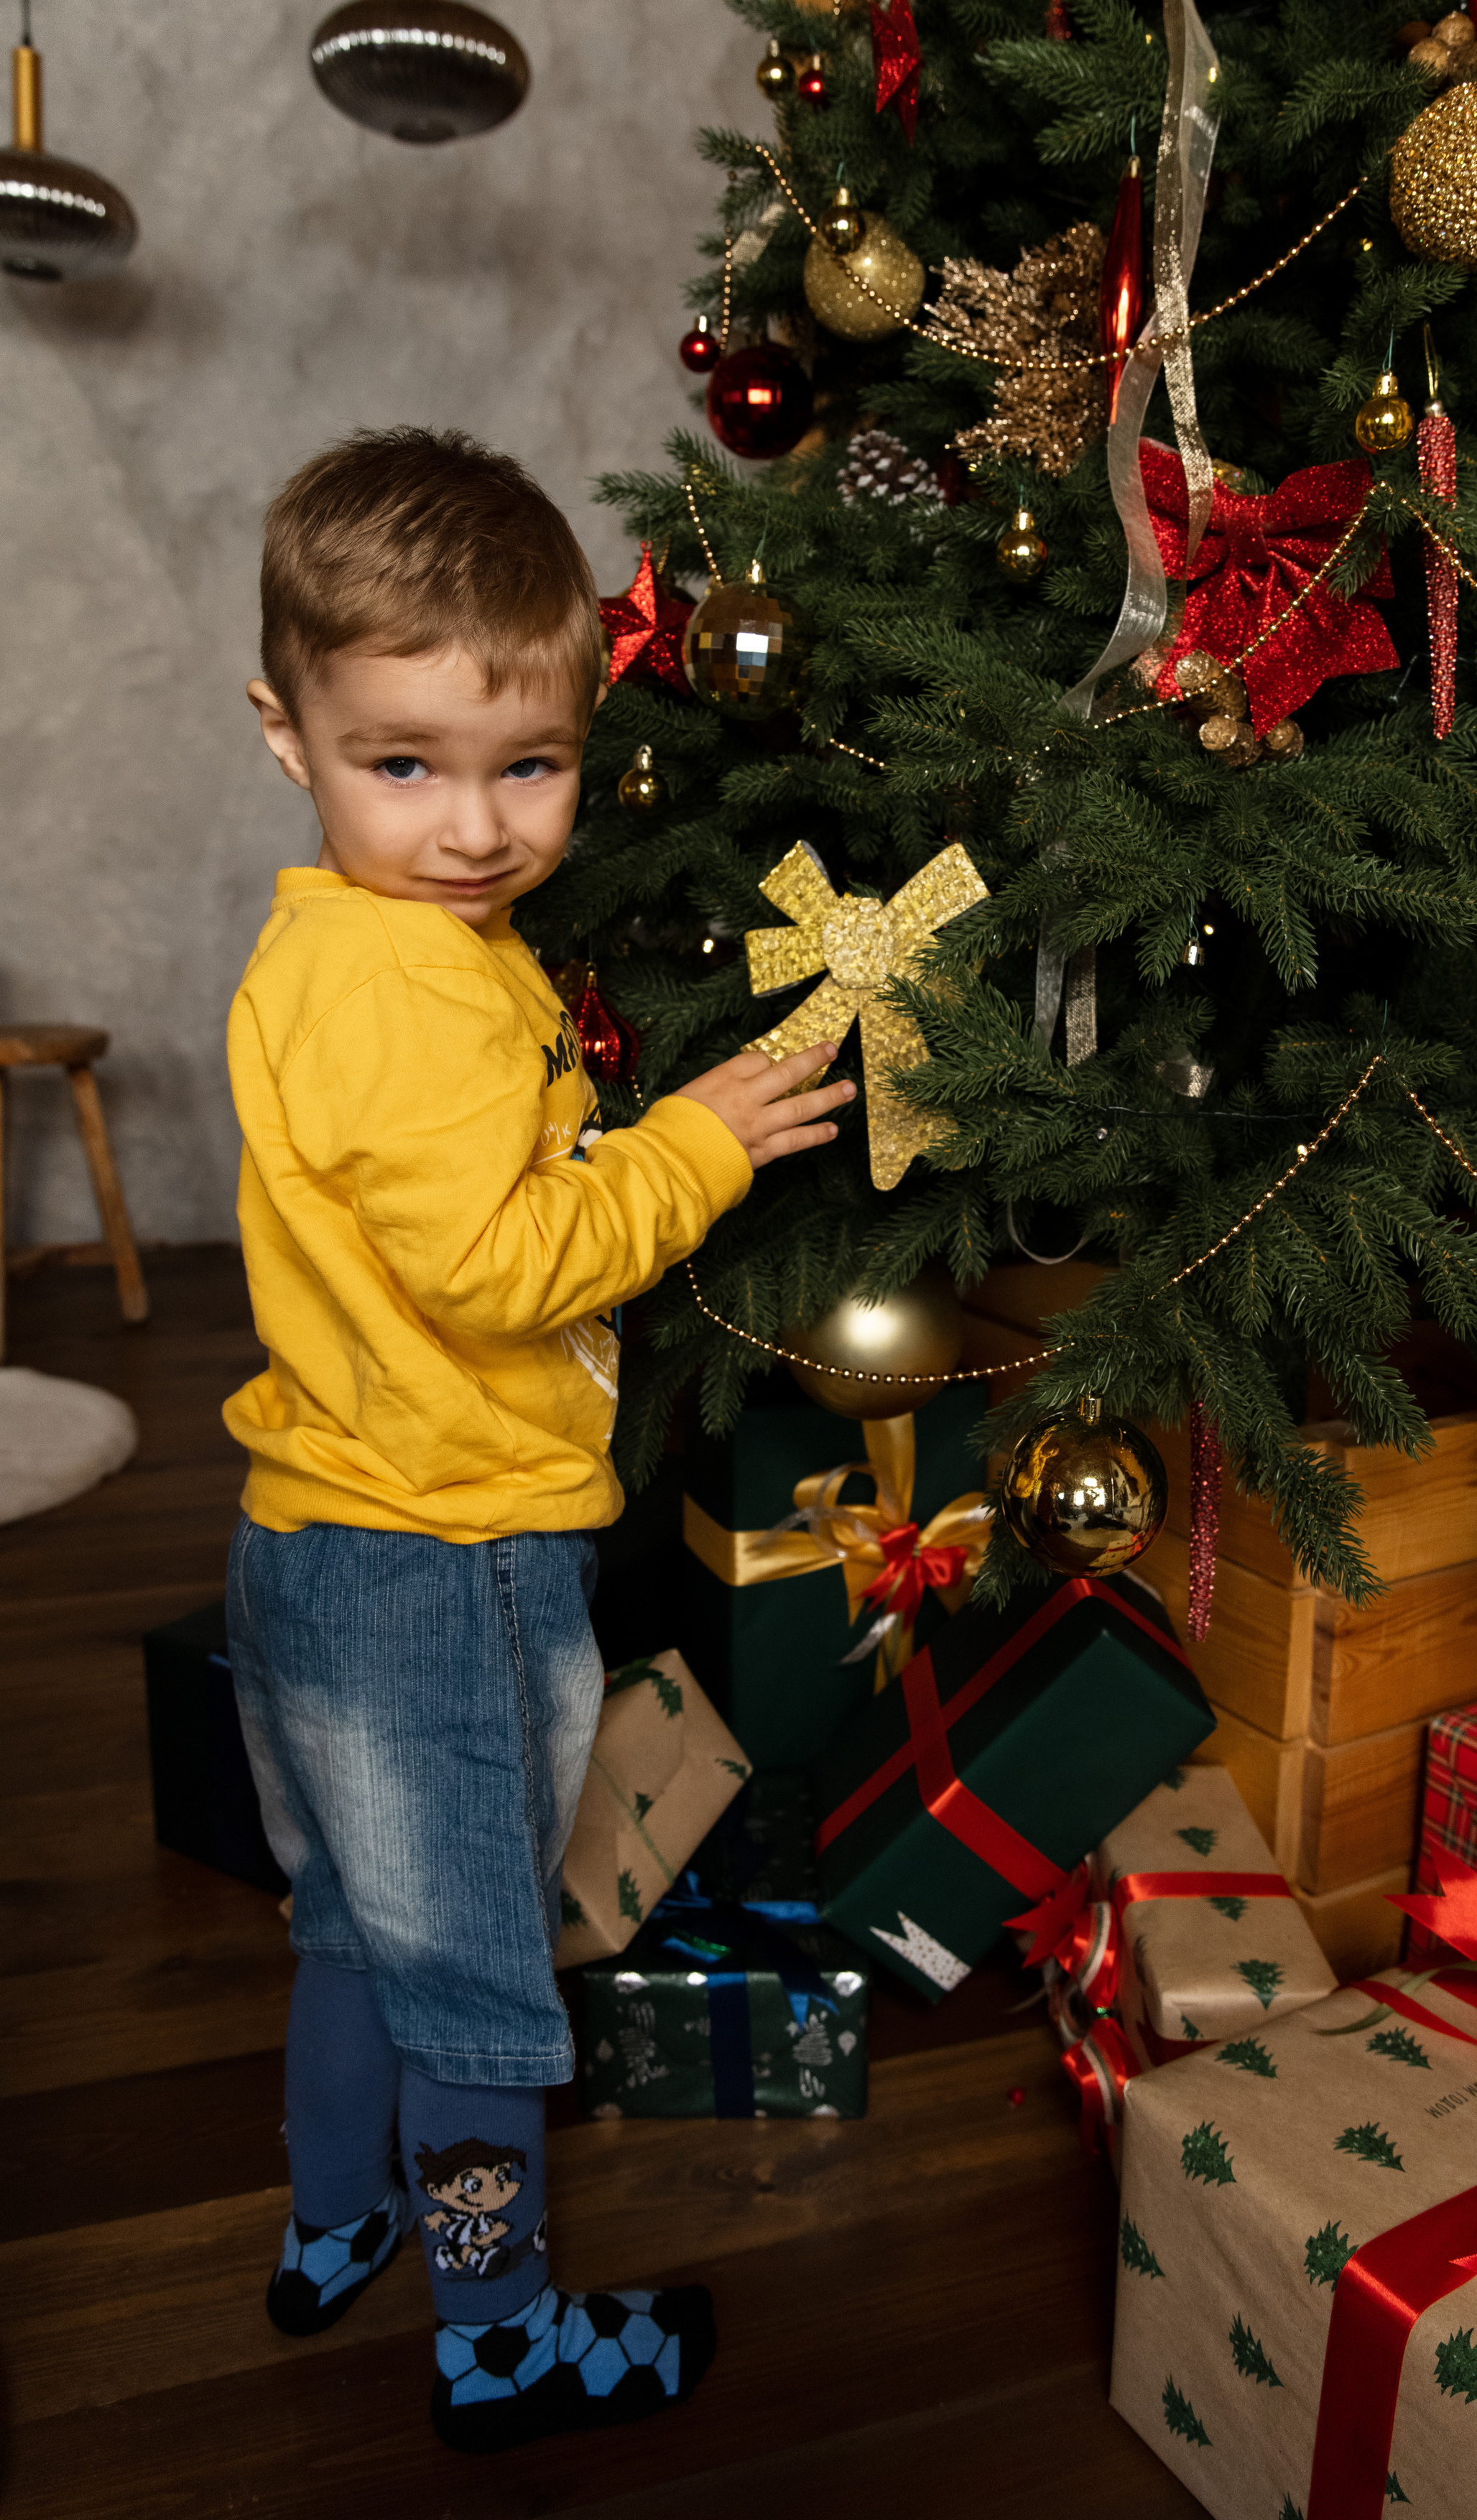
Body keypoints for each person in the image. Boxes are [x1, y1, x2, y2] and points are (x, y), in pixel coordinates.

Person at [222, 426, 851, 2454]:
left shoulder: (352, 943)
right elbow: (499, 1266)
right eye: (403, 764)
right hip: (443, 1557)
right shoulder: (414, 997)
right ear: (285, 732)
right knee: (485, 1980)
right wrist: (693, 1145)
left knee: (349, 1922)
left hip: (317, 1521)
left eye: (528, 767)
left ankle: (339, 2220)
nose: (474, 827)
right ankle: (498, 2331)